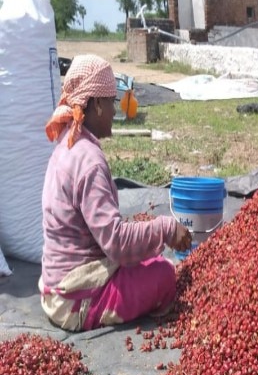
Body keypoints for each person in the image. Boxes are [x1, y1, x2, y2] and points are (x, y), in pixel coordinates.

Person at [39, 54, 192, 331]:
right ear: (96, 104)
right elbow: (117, 244)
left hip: (56, 284)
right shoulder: (89, 162)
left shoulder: (67, 143)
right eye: (111, 101)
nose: (115, 110)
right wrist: (166, 228)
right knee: (164, 274)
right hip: (76, 299)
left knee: (150, 257)